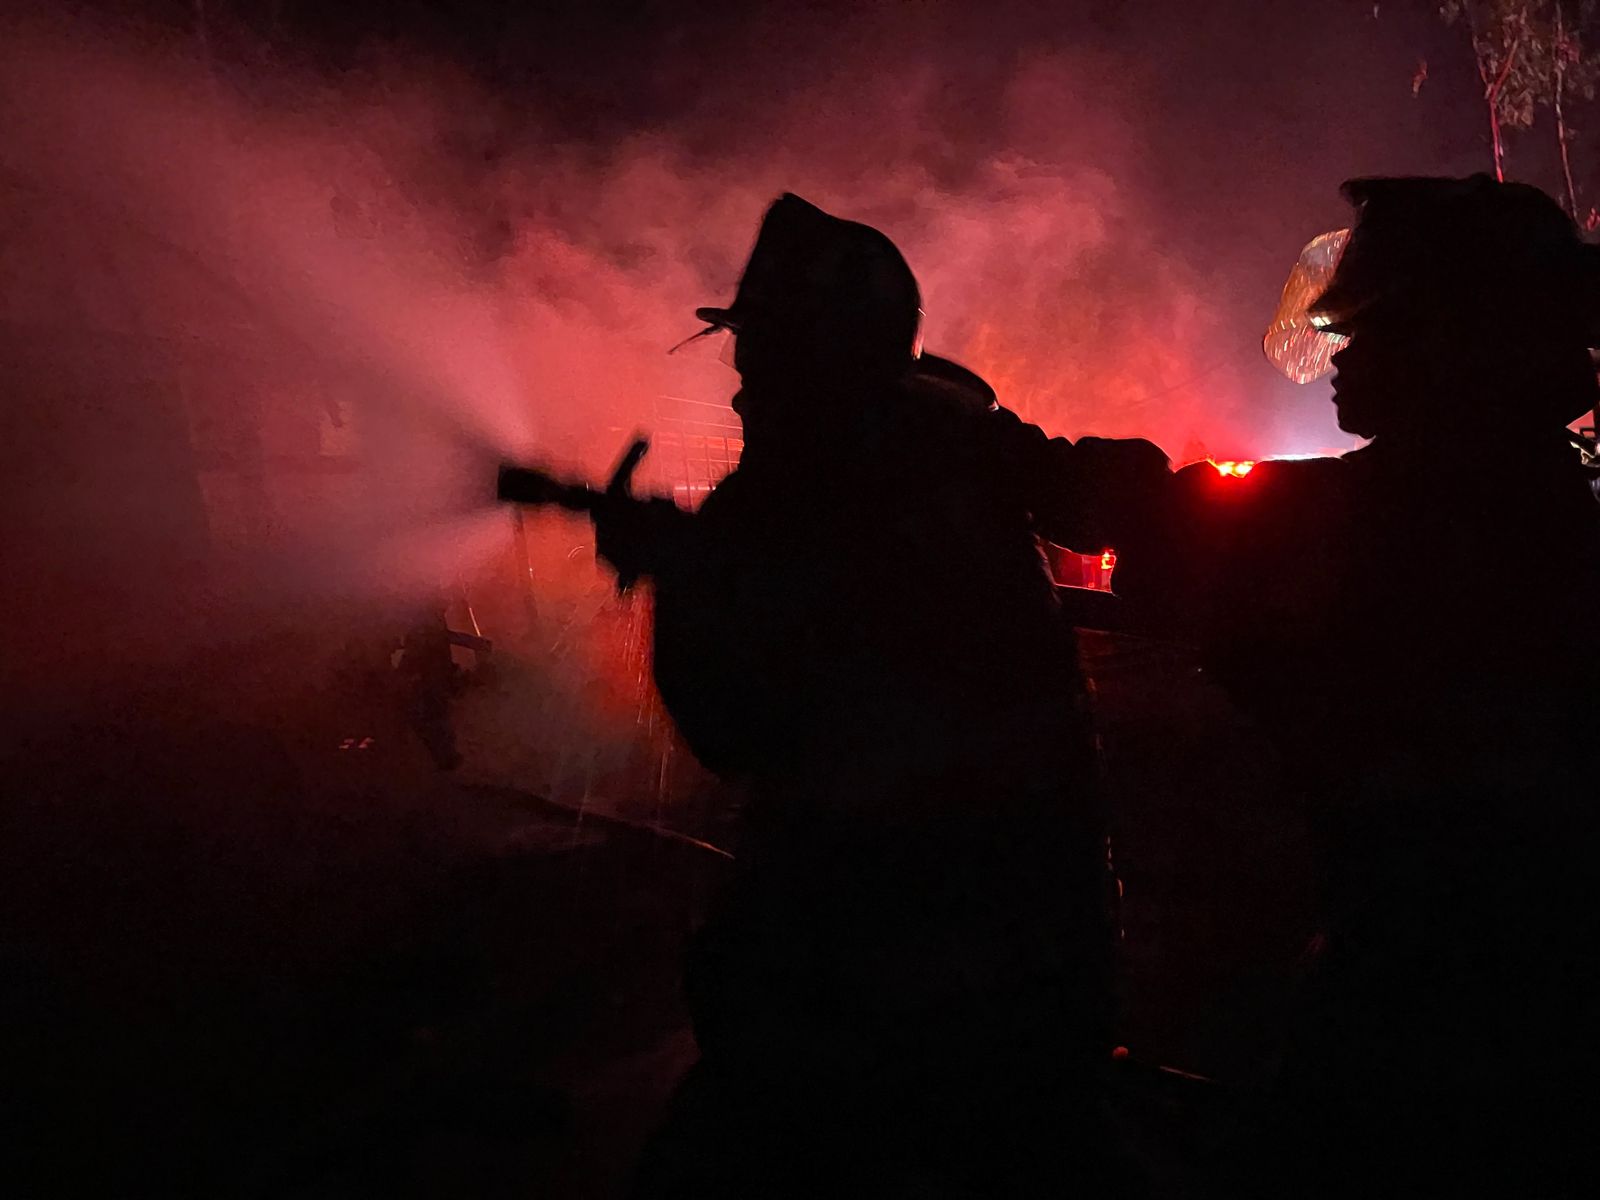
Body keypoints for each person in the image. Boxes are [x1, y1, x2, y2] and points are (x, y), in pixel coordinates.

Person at [566, 194, 1155, 1197]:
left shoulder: (786, 504)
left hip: (859, 978)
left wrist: (682, 576)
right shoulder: (963, 452)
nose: (742, 384)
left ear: (820, 356)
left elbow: (732, 727)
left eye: (762, 352)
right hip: (1030, 952)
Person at [1107, 175, 1600, 1196]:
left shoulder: (1414, 519)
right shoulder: (1542, 503)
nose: (1338, 355)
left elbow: (1184, 534)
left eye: (1367, 331)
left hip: (1430, 1014)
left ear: (1447, 344)